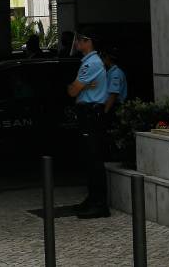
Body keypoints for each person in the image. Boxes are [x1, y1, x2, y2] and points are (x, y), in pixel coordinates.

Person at [66, 30, 110, 218]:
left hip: (91, 114)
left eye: (79, 40)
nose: (76, 43)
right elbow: (74, 88)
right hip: (88, 113)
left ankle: (99, 204)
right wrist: (80, 86)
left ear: (88, 42)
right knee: (89, 159)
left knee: (94, 160)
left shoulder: (91, 64)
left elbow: (72, 91)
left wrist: (79, 86)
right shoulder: (89, 62)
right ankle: (92, 199)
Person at [102, 47, 128, 114]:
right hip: (111, 106)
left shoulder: (115, 74)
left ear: (108, 58)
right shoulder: (111, 72)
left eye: (104, 57)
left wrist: (105, 112)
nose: (102, 60)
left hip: (113, 107)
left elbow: (113, 95)